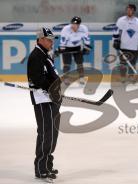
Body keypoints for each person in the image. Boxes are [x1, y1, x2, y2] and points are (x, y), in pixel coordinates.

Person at [27, 27, 60, 182]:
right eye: (48, 39)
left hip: (51, 99)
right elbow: (38, 79)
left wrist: (57, 91)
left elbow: (51, 76)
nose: (51, 42)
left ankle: (47, 164)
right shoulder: (36, 56)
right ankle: (41, 169)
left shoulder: (45, 54)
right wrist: (52, 89)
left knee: (52, 133)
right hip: (42, 100)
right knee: (46, 132)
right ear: (40, 39)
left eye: (52, 40)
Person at [113, 4, 138, 83]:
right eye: (127, 9)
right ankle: (123, 77)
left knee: (133, 63)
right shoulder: (121, 20)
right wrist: (115, 40)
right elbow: (116, 31)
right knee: (123, 63)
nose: (129, 11)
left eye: (130, 10)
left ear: (134, 11)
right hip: (123, 46)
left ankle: (131, 77)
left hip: (134, 46)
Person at [58, 16, 91, 85]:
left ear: (79, 25)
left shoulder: (84, 28)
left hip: (77, 47)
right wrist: (62, 49)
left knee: (80, 63)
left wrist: (87, 47)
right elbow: (63, 41)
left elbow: (86, 39)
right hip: (67, 47)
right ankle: (66, 78)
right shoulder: (66, 29)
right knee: (67, 64)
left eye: (76, 25)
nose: (74, 26)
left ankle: (81, 78)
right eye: (73, 24)